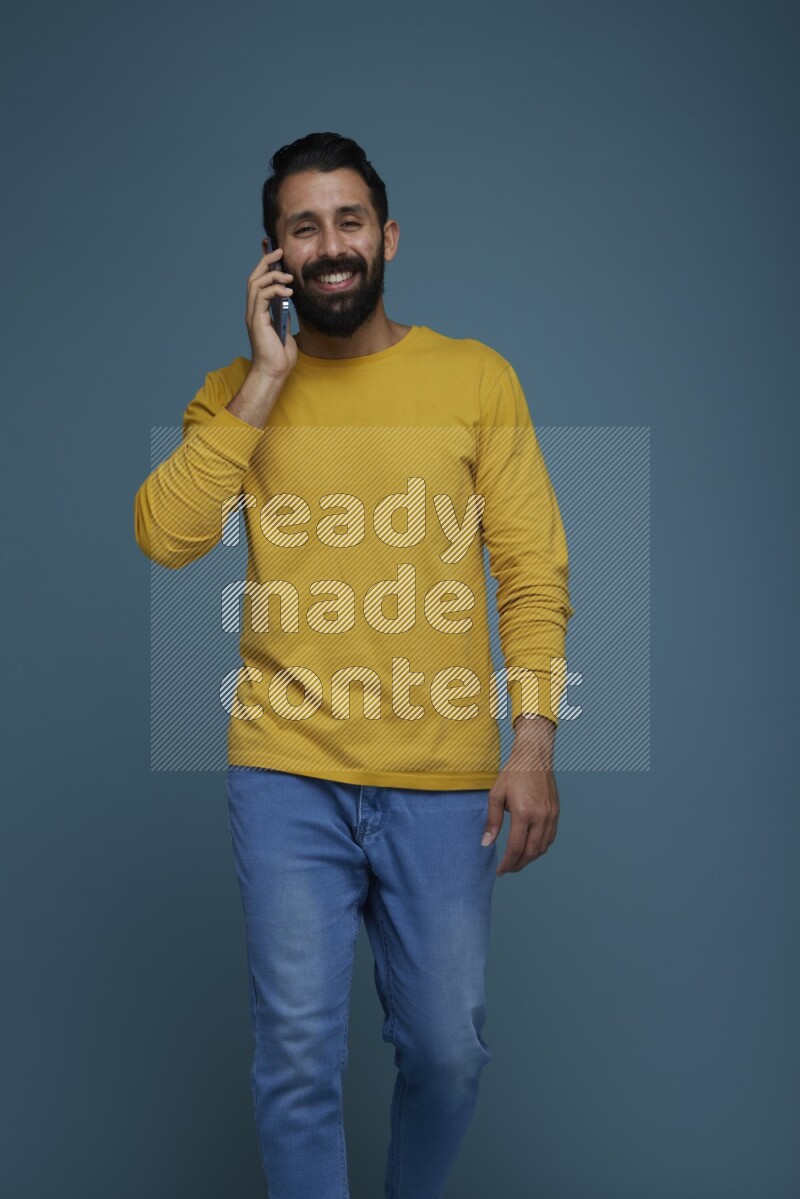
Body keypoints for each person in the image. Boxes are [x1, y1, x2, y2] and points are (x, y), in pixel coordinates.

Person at [133, 131, 574, 1199]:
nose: (329, 245)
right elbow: (166, 532)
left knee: (446, 1048)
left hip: (441, 779)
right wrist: (263, 380)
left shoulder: (474, 376)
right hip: (286, 770)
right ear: (273, 256)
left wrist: (532, 740)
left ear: (385, 235)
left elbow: (529, 572)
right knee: (294, 1053)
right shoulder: (236, 390)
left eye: (346, 221)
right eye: (302, 227)